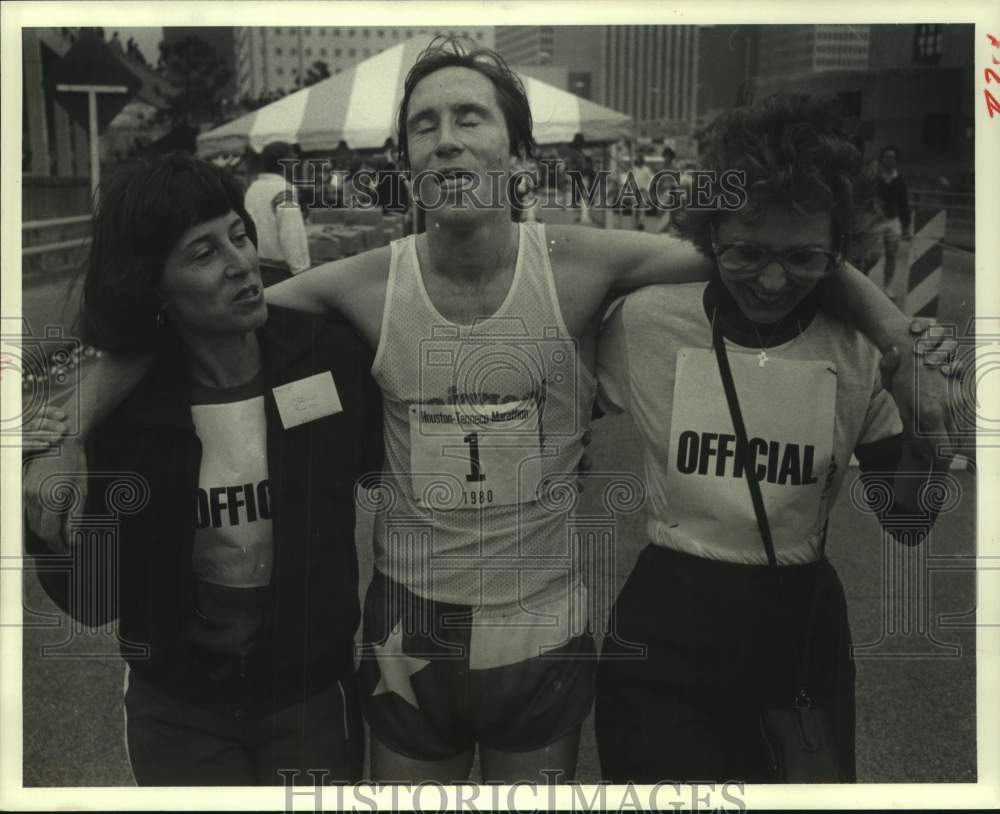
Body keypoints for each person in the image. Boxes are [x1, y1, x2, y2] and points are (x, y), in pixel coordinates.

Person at [24, 37, 957, 785]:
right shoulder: (358, 285)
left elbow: (762, 244)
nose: (446, 138)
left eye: (470, 115)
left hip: (540, 631)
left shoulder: (589, 263)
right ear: (405, 162)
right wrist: (65, 434)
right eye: (423, 125)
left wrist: (898, 342)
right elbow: (179, 311)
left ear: (518, 150)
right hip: (412, 634)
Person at [593, 95, 950, 784]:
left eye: (805, 258)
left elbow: (908, 522)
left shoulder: (860, 350)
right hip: (668, 622)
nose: (774, 280)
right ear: (711, 235)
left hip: (798, 629)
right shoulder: (644, 323)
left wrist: (929, 437)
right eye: (748, 252)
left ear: (840, 253)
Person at [24, 152, 381, 786]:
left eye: (238, 235)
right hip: (179, 715)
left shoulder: (326, 358)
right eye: (202, 253)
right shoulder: (124, 417)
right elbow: (92, 601)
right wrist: (48, 531)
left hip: (309, 699)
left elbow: (391, 470)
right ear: (152, 285)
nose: (240, 262)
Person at [244, 141, 311, 286]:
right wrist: (301, 272)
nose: (296, 164)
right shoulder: (284, 190)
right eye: (293, 159)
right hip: (281, 272)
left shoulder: (253, 189)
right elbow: (291, 234)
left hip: (257, 268)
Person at [874, 145, 913, 303]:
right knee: (872, 255)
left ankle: (887, 286)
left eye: (892, 157)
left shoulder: (900, 180)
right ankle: (865, 286)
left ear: (896, 160)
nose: (889, 160)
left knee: (891, 255)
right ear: (882, 159)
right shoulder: (875, 178)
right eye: (886, 157)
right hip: (875, 221)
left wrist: (906, 226)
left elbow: (904, 204)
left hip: (893, 221)